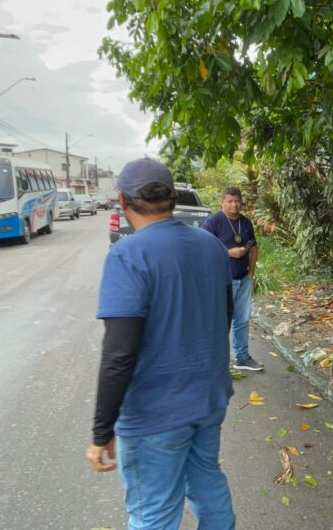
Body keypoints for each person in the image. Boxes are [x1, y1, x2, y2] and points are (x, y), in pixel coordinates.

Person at [87, 158, 236, 530]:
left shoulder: (128, 254)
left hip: (155, 413)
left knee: (154, 513)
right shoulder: (211, 244)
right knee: (207, 482)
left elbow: (119, 354)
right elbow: (224, 319)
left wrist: (101, 432)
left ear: (122, 201)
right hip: (208, 400)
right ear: (171, 198)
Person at [201, 186, 264, 372]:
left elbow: (253, 248)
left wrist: (250, 275)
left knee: (242, 320)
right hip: (221, 281)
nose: (234, 205)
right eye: (230, 201)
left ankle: (242, 357)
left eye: (237, 201)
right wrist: (229, 252)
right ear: (222, 202)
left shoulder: (245, 223)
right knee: (221, 321)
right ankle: (217, 361)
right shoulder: (213, 222)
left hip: (243, 279)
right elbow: (203, 250)